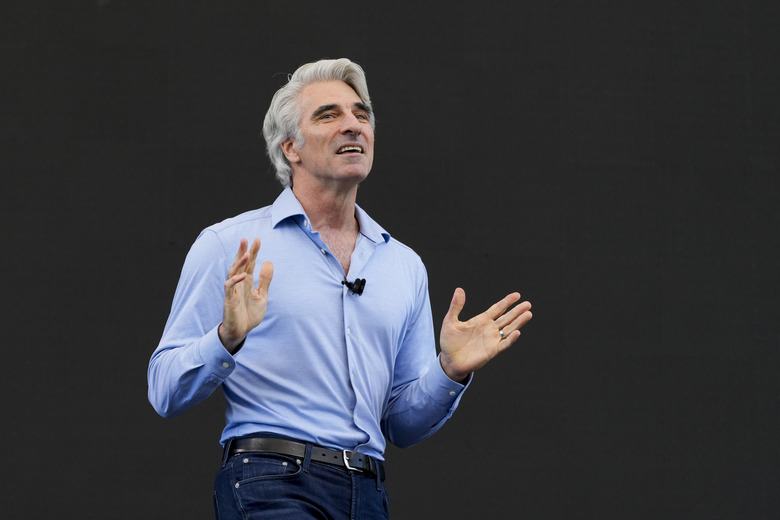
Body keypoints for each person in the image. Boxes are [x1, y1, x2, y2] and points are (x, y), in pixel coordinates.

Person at [148, 57, 532, 520]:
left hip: (368, 493)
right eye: (329, 115)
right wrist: (226, 338)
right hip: (270, 482)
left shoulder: (404, 266)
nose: (353, 125)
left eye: (361, 114)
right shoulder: (230, 246)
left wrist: (448, 372)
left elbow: (402, 426)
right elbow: (165, 390)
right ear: (291, 147)